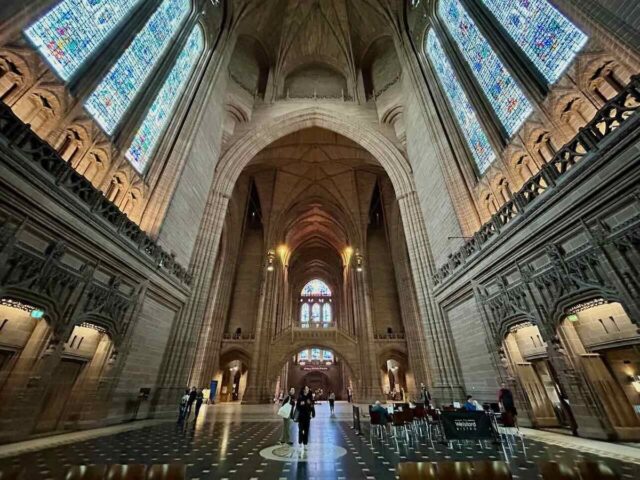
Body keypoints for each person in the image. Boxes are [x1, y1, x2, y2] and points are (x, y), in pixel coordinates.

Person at [296, 385, 315, 455]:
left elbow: (312, 405)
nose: (307, 389)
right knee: (301, 430)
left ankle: (305, 443)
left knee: (306, 431)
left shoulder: (310, 397)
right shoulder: (300, 397)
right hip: (301, 417)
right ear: (304, 390)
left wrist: (313, 412)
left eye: (308, 389)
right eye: (306, 388)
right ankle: (300, 442)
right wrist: (301, 404)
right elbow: (297, 406)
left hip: (307, 417)